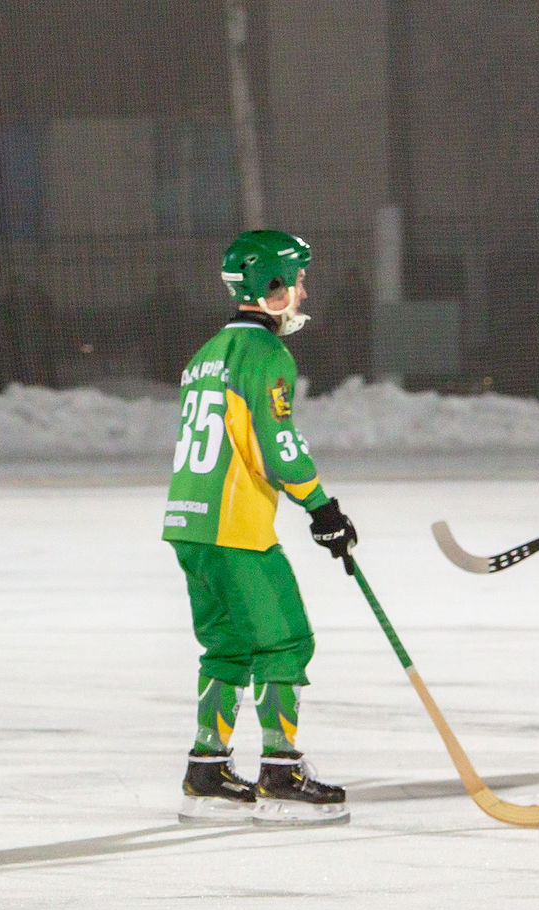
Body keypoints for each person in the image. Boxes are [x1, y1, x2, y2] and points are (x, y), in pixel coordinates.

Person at [162, 229, 354, 825]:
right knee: (285, 640)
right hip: (234, 530)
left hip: (188, 524)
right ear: (273, 286)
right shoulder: (266, 354)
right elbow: (279, 444)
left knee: (227, 645)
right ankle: (281, 771)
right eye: (297, 280)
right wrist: (321, 508)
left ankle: (206, 769)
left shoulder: (206, 353)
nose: (303, 292)